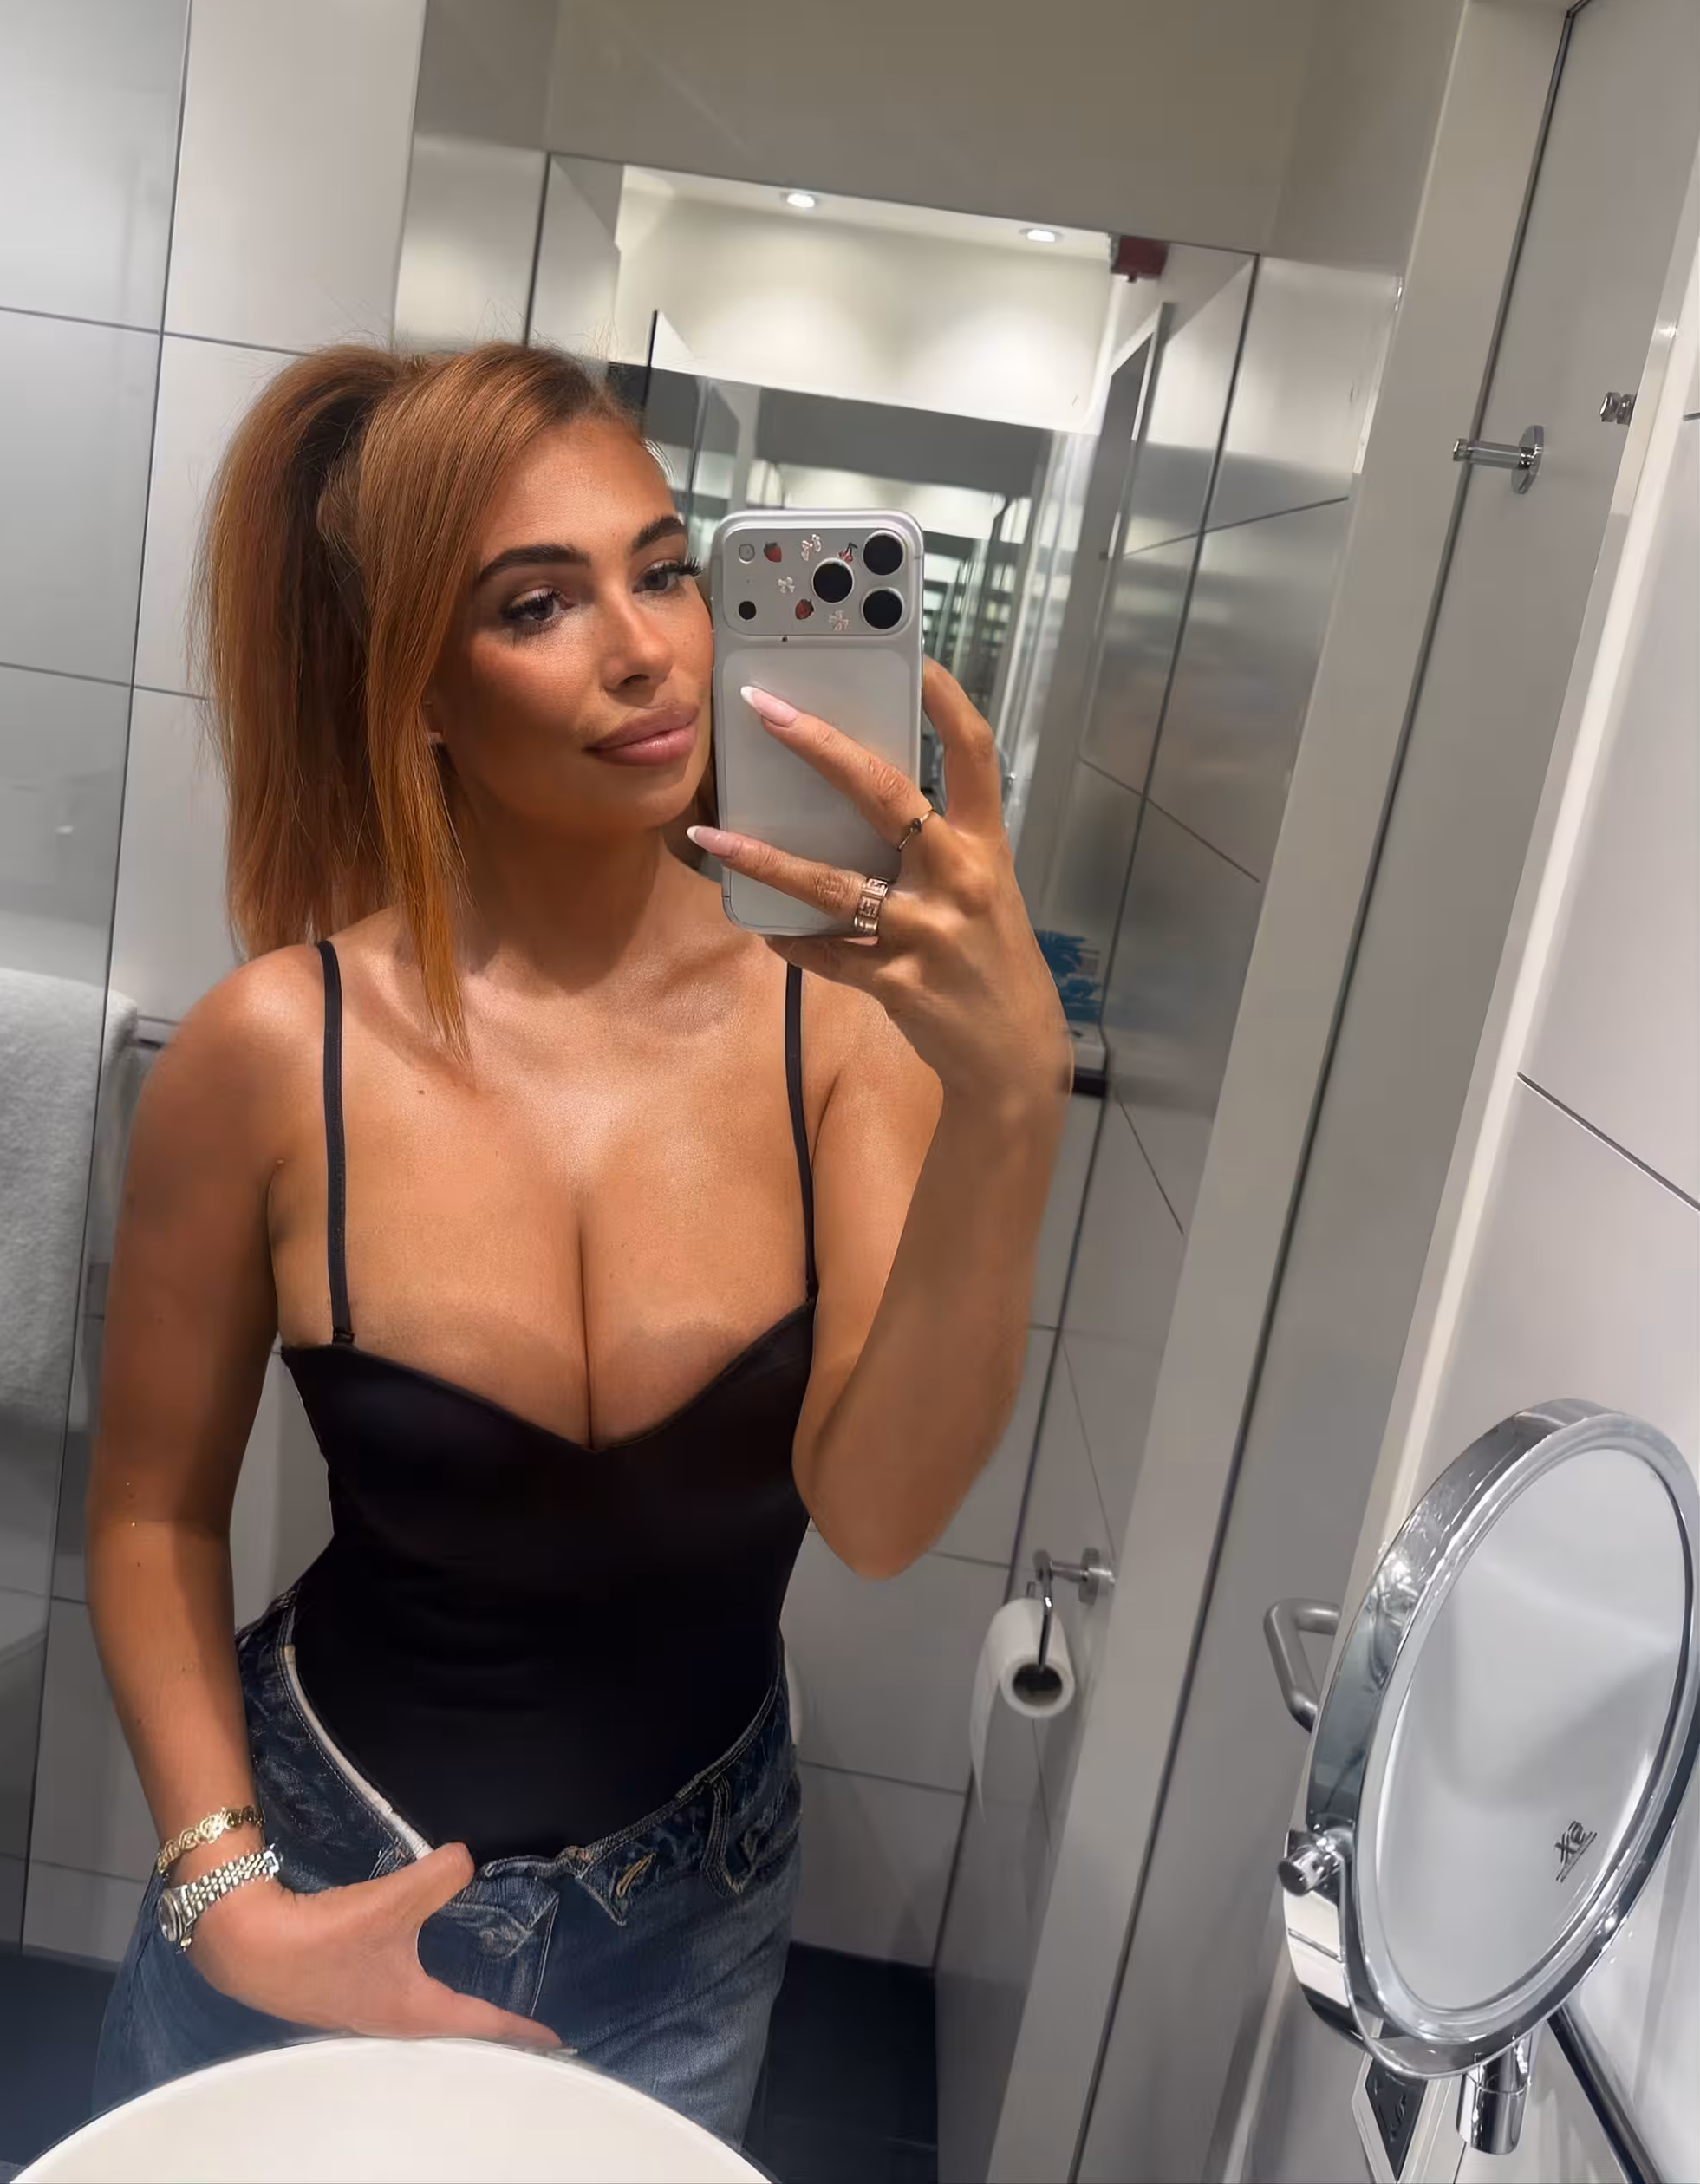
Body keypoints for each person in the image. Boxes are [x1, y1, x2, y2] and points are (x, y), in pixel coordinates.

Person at [88, 340, 1071, 2142]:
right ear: (419, 689)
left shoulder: (837, 1038)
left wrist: (1009, 1106)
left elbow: (875, 1516)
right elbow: (152, 1514)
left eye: (665, 570)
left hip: (689, 1921)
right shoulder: (272, 1054)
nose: (647, 649)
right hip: (318, 1859)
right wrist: (229, 1900)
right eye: (537, 603)